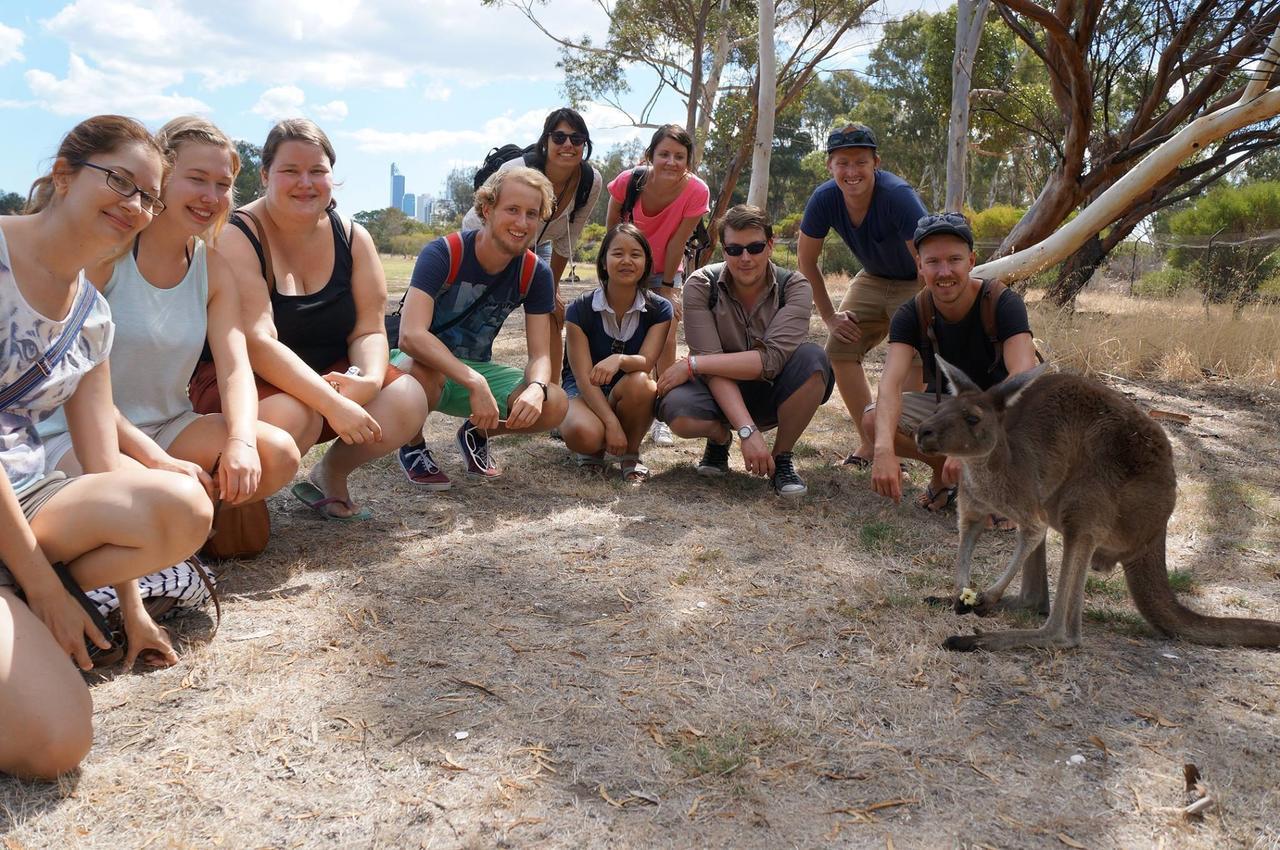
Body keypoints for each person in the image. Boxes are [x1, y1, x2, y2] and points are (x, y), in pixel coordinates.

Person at [1, 116, 214, 779]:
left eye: (148, 196)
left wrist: (132, 608)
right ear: (63, 173)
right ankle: (28, 602)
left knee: (182, 505)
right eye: (120, 181)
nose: (135, 206)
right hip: (20, 539)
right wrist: (46, 590)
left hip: (27, 502)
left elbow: (100, 463)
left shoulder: (93, 314)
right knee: (53, 742)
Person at [39, 116, 300, 510]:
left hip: (169, 425)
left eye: (223, 185)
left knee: (278, 452)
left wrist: (241, 442)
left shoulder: (212, 269)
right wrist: (155, 462)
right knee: (163, 498)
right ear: (160, 179)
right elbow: (77, 384)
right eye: (197, 179)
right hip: (76, 431)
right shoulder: (107, 256)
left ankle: (180, 528)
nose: (211, 196)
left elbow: (234, 369)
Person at [209, 119, 428, 520]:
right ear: (264, 175)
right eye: (290, 171)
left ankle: (330, 473)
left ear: (333, 176)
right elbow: (257, 342)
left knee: (407, 398)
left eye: (317, 171)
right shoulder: (238, 235)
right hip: (245, 380)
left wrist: (370, 380)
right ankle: (233, 501)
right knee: (296, 415)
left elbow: (369, 328)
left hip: (328, 376)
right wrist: (330, 403)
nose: (305, 183)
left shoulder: (353, 236)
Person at [397, 166, 569, 482]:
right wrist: (475, 382)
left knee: (554, 402)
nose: (522, 223)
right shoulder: (444, 253)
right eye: (512, 210)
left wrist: (536, 387)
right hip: (420, 366)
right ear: (487, 210)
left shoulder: (535, 273)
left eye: (532, 214)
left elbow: (540, 355)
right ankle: (412, 445)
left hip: (474, 369)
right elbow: (410, 335)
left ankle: (478, 432)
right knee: (418, 373)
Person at [655, 204, 834, 497]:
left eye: (755, 247)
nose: (745, 258)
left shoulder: (796, 286)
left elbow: (771, 360)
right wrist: (746, 431)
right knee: (677, 412)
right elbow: (711, 367)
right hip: (718, 390)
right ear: (723, 250)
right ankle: (719, 438)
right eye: (734, 250)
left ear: (771, 245)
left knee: (814, 360)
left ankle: (781, 458)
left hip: (773, 387)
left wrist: (692, 365)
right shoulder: (701, 284)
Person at [868, 212, 1038, 513]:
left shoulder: (1002, 302)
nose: (944, 271)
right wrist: (882, 450)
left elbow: (1022, 375)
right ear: (920, 266)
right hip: (952, 408)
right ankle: (949, 479)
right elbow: (891, 383)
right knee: (874, 421)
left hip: (1008, 415)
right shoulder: (912, 313)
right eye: (933, 262)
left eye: (954, 260)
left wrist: (967, 447)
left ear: (971, 261)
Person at [796, 123, 928, 468]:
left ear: (876, 163)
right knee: (839, 347)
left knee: (915, 356)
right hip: (872, 278)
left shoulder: (898, 196)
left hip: (916, 281)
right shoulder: (824, 199)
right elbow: (806, 261)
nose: (851, 172)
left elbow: (926, 263)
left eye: (860, 162)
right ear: (830, 166)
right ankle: (871, 442)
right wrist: (828, 317)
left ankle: (900, 445)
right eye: (842, 162)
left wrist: (924, 320)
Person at [462, 108, 603, 384]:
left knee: (552, 308)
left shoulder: (590, 182)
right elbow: (482, 213)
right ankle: (459, 376)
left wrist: (552, 286)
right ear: (546, 141)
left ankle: (548, 391)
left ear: (585, 144)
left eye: (576, 139)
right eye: (559, 137)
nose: (567, 145)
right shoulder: (516, 170)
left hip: (538, 243)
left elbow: (569, 237)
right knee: (478, 311)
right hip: (487, 238)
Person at [605, 124, 710, 447]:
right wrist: (608, 270)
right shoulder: (629, 181)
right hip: (624, 264)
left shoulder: (696, 191)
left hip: (664, 268)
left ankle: (664, 410)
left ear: (689, 161)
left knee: (665, 333)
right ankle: (606, 402)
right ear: (650, 156)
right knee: (617, 330)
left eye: (680, 156)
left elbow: (679, 239)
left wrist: (667, 287)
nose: (671, 162)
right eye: (663, 154)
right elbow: (612, 226)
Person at [560, 224, 672, 483]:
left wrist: (619, 359)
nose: (626, 261)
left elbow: (646, 362)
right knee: (583, 433)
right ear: (603, 260)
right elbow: (582, 378)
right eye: (617, 253)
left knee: (643, 382)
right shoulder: (579, 310)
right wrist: (610, 423)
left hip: (628, 391)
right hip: (585, 391)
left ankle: (630, 454)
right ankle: (593, 451)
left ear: (646, 262)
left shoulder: (659, 309)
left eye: (635, 254)